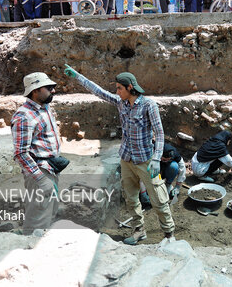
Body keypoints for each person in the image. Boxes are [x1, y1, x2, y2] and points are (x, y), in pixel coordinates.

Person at [64, 66, 175, 245]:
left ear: (130, 87)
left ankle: (169, 235)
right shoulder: (120, 103)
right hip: (126, 159)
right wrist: (77, 76)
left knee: (159, 198)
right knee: (131, 199)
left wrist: (156, 159)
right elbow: (98, 91)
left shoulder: (149, 106)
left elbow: (160, 134)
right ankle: (139, 231)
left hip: (146, 161)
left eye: (119, 88)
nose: (117, 92)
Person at [11, 72, 62, 234]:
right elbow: (21, 153)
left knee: (49, 212)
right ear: (35, 91)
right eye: (48, 88)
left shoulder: (44, 107)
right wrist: (41, 180)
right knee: (38, 218)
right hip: (39, 172)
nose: (53, 91)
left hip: (51, 168)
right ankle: (29, 249)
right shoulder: (24, 116)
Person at [139, 142, 186, 206]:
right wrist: (143, 193)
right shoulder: (151, 152)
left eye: (167, 160)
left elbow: (182, 169)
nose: (165, 161)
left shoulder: (175, 153)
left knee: (174, 166)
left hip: (166, 169)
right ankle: (148, 187)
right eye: (164, 159)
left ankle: (167, 185)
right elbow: (142, 172)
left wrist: (177, 186)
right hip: (153, 169)